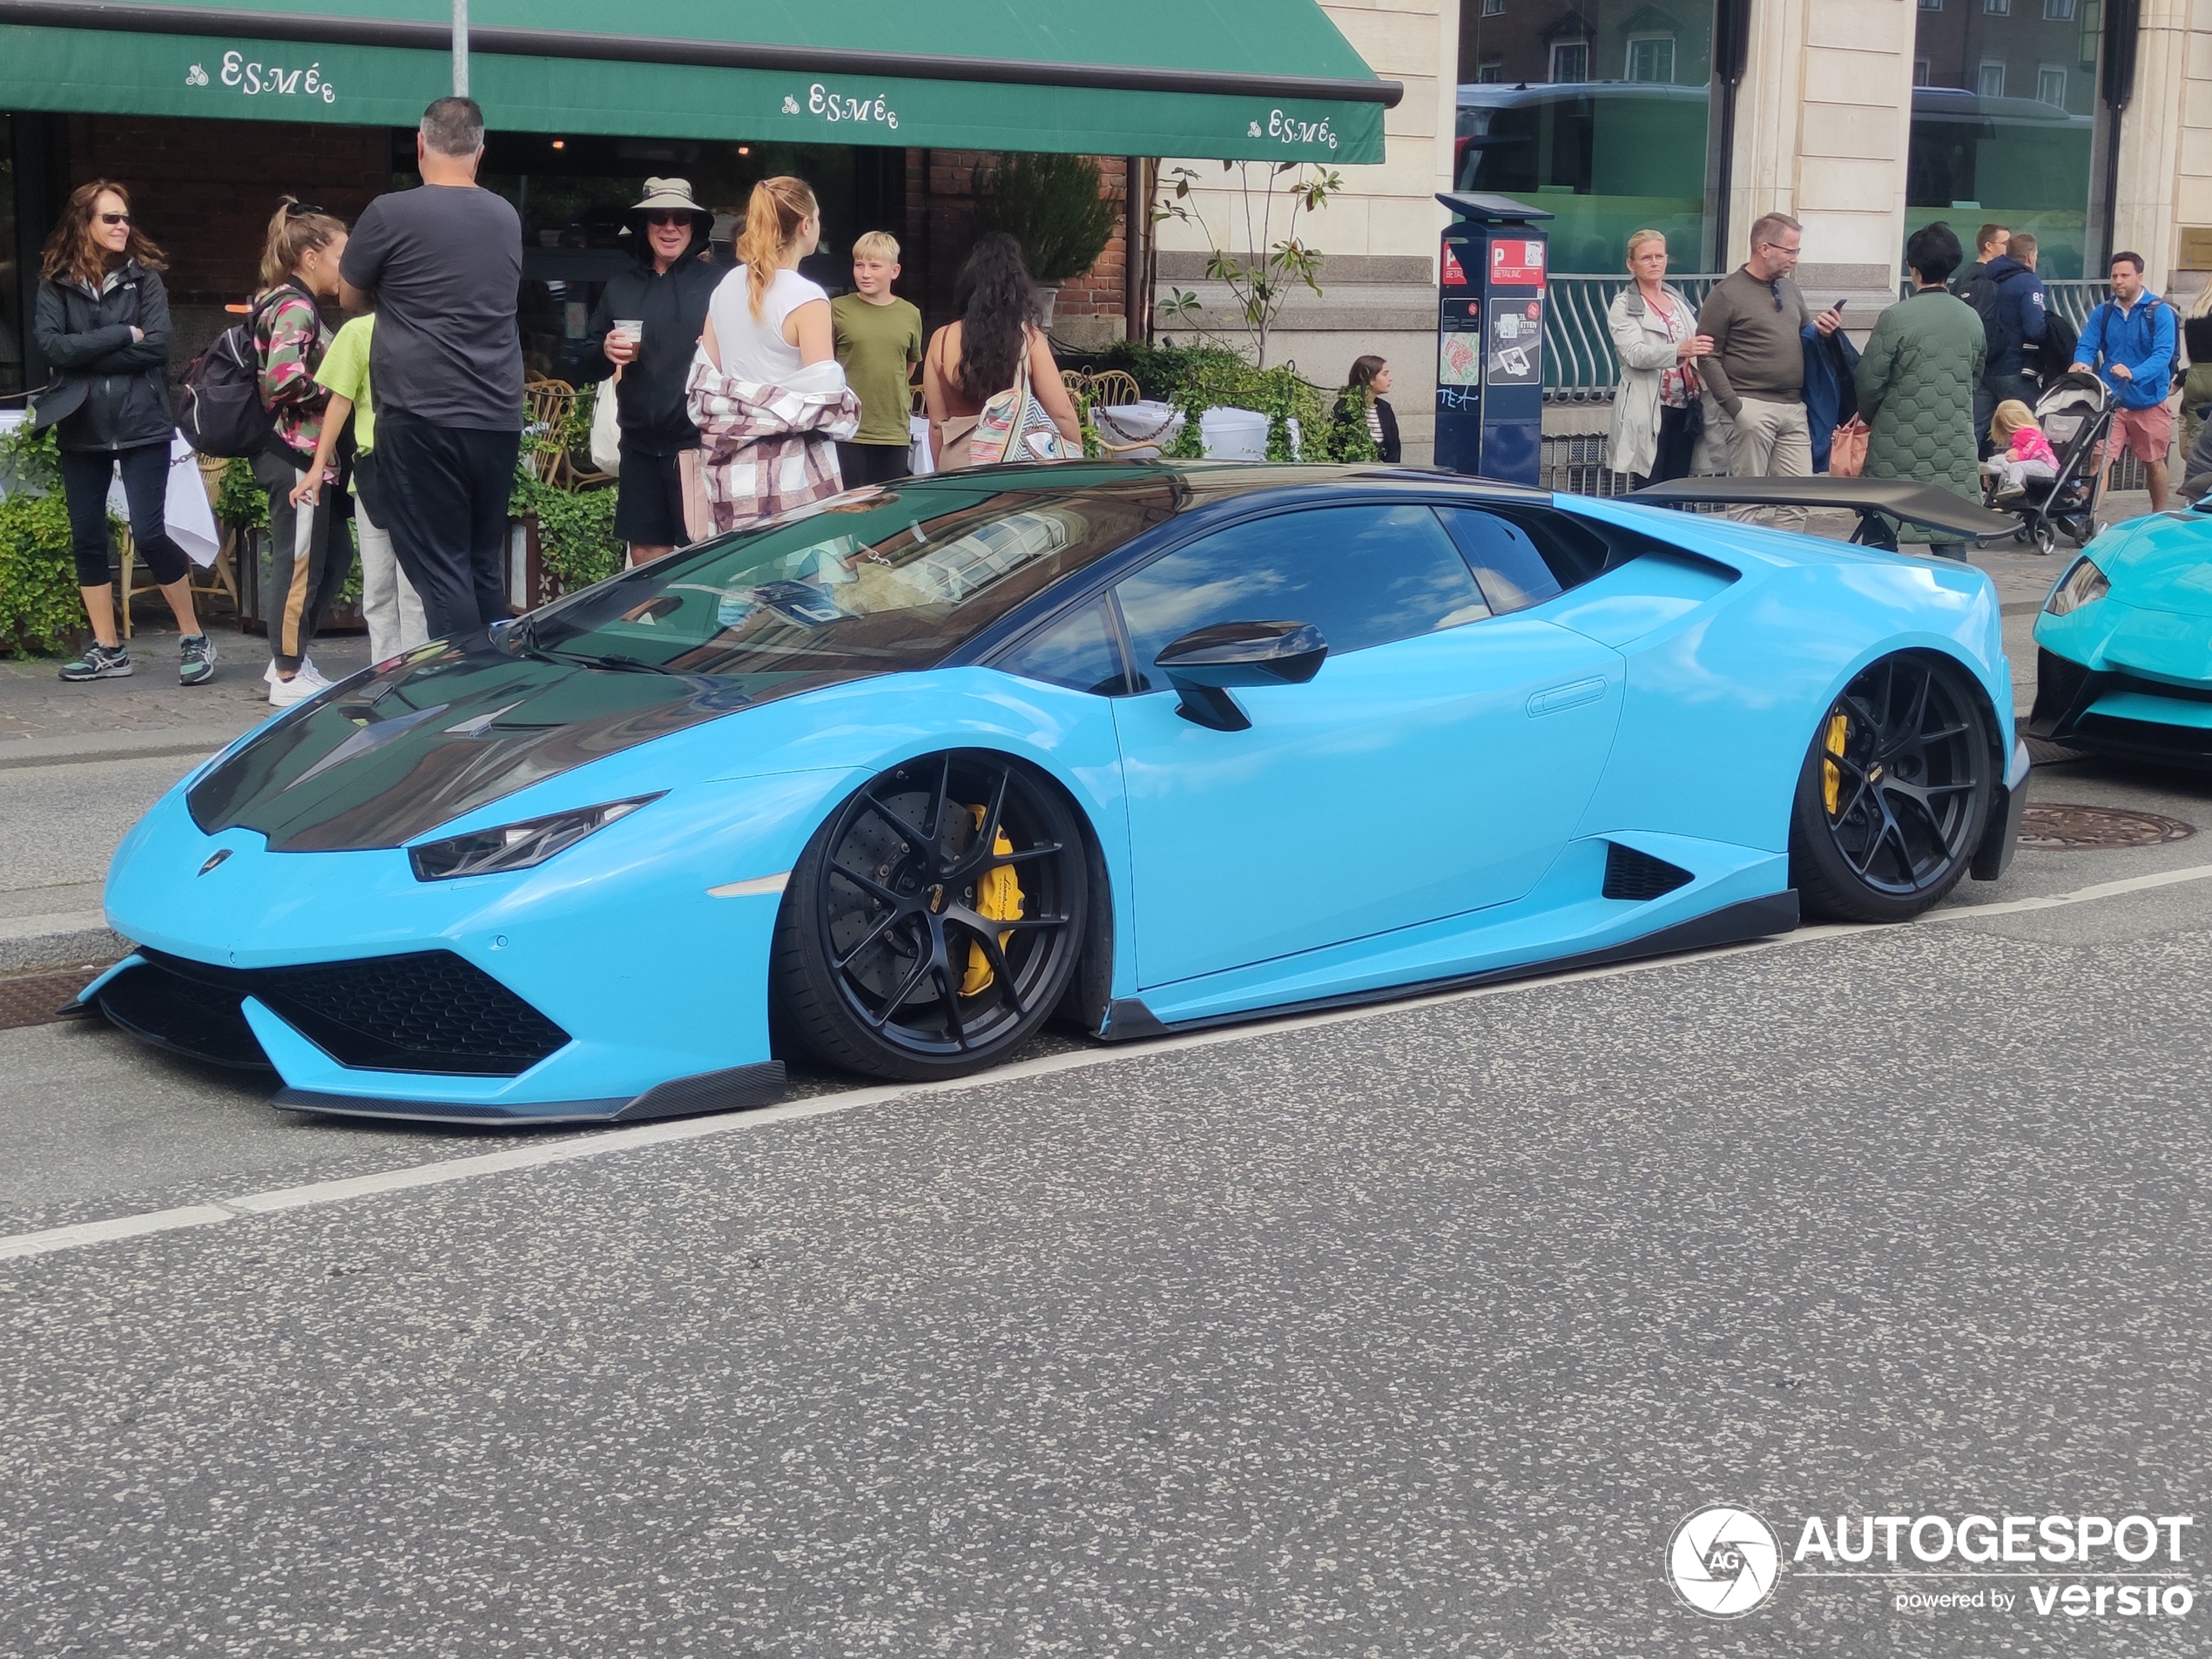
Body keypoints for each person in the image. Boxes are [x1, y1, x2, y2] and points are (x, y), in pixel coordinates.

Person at [338, 96, 523, 636]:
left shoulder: (389, 212)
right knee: (480, 564)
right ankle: (495, 690)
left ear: (420, 145)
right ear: (479, 153)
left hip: (420, 414)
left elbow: (349, 296)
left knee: (441, 573)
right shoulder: (505, 216)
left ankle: (460, 704)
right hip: (495, 415)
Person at [32, 180, 214, 685]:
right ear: (84, 223)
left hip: (142, 420)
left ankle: (193, 636)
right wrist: (119, 334)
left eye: (125, 217)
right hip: (81, 421)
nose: (121, 226)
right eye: (110, 218)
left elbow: (156, 348)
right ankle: (109, 649)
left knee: (151, 530)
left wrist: (87, 348)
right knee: (88, 538)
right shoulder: (56, 282)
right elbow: (53, 348)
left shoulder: (145, 282)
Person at [688, 177, 860, 531]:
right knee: (805, 580)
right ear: (806, 224)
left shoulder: (725, 286)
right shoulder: (807, 298)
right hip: (794, 474)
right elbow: (824, 399)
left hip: (732, 475)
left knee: (740, 579)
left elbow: (706, 380)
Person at [580, 178, 720, 565]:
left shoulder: (719, 286)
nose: (670, 227)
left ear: (694, 229)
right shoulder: (620, 286)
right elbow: (585, 361)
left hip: (698, 446)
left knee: (703, 557)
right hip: (639, 447)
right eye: (659, 218)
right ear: (644, 226)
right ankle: (656, 629)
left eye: (681, 219)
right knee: (645, 557)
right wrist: (606, 350)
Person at [251, 199, 350, 705]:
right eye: (341, 254)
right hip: (294, 454)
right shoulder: (296, 305)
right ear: (311, 256)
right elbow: (283, 379)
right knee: (299, 563)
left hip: (307, 457)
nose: (346, 266)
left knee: (333, 558)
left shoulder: (289, 302)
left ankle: (290, 656)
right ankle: (287, 674)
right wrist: (335, 394)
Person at [289, 303, 427, 664]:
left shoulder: (427, 327)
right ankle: (386, 670)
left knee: (414, 588)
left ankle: (417, 673)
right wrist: (318, 466)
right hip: (375, 469)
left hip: (417, 467)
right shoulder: (358, 331)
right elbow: (340, 401)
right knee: (380, 586)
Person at [1695, 212, 1844, 528]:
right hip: (1749, 406)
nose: (1794, 258)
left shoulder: (1790, 290)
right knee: (1748, 501)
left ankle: (1783, 569)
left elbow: (1806, 337)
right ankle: (1747, 569)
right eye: (1790, 251)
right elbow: (1707, 356)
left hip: (1793, 407)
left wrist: (1825, 331)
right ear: (1764, 248)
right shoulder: (1725, 294)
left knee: (1799, 500)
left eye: (1797, 251)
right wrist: (1735, 408)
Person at [1855, 222, 1986, 556]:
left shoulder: (1896, 317)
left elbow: (1869, 382)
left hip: (1895, 447)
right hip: (1954, 445)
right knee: (1950, 537)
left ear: (1912, 269)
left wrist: (1873, 417)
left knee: (1881, 533)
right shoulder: (1970, 318)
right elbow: (1975, 376)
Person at [922, 233, 1081, 469]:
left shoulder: (941, 339)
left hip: (957, 463)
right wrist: (1077, 452)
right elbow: (1061, 412)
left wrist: (940, 467)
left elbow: (936, 424)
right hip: (1012, 462)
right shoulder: (1028, 338)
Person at [1604, 230, 1710, 489]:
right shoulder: (1624, 304)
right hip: (1651, 405)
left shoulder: (1677, 298)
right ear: (1631, 264)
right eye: (1646, 257)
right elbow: (1634, 353)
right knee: (1651, 484)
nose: (1654, 262)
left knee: (1680, 484)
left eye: (1659, 256)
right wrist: (1678, 351)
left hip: (1686, 404)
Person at [2075, 251, 2179, 514]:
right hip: (2112, 401)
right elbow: (2087, 344)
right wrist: (2081, 362)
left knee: (2153, 462)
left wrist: (2135, 373)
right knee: (2100, 460)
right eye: (2114, 276)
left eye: (2124, 275)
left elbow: (2163, 355)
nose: (2118, 281)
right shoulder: (2105, 311)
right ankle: (2089, 518)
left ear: (2139, 277)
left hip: (2148, 400)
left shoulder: (2160, 312)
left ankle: (2159, 514)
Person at [831, 231, 924, 486]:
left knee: (888, 507)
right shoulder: (836, 309)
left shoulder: (910, 314)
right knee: (850, 506)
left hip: (893, 427)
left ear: (894, 271)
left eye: (874, 266)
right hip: (847, 428)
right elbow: (825, 365)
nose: (865, 273)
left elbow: (909, 364)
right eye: (859, 265)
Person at [1964, 232, 2047, 458]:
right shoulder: (2029, 281)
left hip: (1984, 367)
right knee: (2031, 425)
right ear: (2030, 257)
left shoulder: (1988, 276)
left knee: (1974, 431)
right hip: (2014, 369)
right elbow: (2035, 328)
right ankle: (2028, 484)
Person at [1333, 355, 1403, 463]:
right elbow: (1337, 447)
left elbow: (1394, 447)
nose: (1390, 378)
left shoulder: (1385, 408)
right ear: (1370, 379)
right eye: (1385, 374)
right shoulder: (1344, 408)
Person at [1987, 399, 2058, 502]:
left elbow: (2034, 444)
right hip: (2029, 465)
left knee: (2015, 466)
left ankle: (2014, 485)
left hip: (2045, 466)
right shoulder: (2017, 435)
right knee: (2001, 459)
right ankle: (1992, 468)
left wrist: (2020, 456)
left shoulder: (2028, 432)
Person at [2176, 284, 2212, 461]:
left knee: (2196, 433)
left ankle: (2196, 479)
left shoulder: (2194, 316)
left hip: (2196, 377)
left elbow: (2191, 356)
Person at [1951, 223, 2009, 298]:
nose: (2010, 248)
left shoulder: (1966, 274)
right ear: (1989, 246)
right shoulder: (1983, 278)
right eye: (2006, 243)